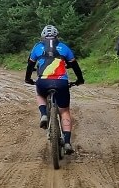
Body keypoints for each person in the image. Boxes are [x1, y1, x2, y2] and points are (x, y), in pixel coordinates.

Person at [25, 24, 85, 154]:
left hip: (43, 82)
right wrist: (80, 80)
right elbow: (75, 66)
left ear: (42, 37)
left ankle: (44, 115)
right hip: (61, 83)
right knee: (64, 111)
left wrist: (28, 79)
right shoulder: (64, 47)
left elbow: (30, 66)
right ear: (57, 36)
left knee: (40, 94)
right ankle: (68, 142)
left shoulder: (37, 47)